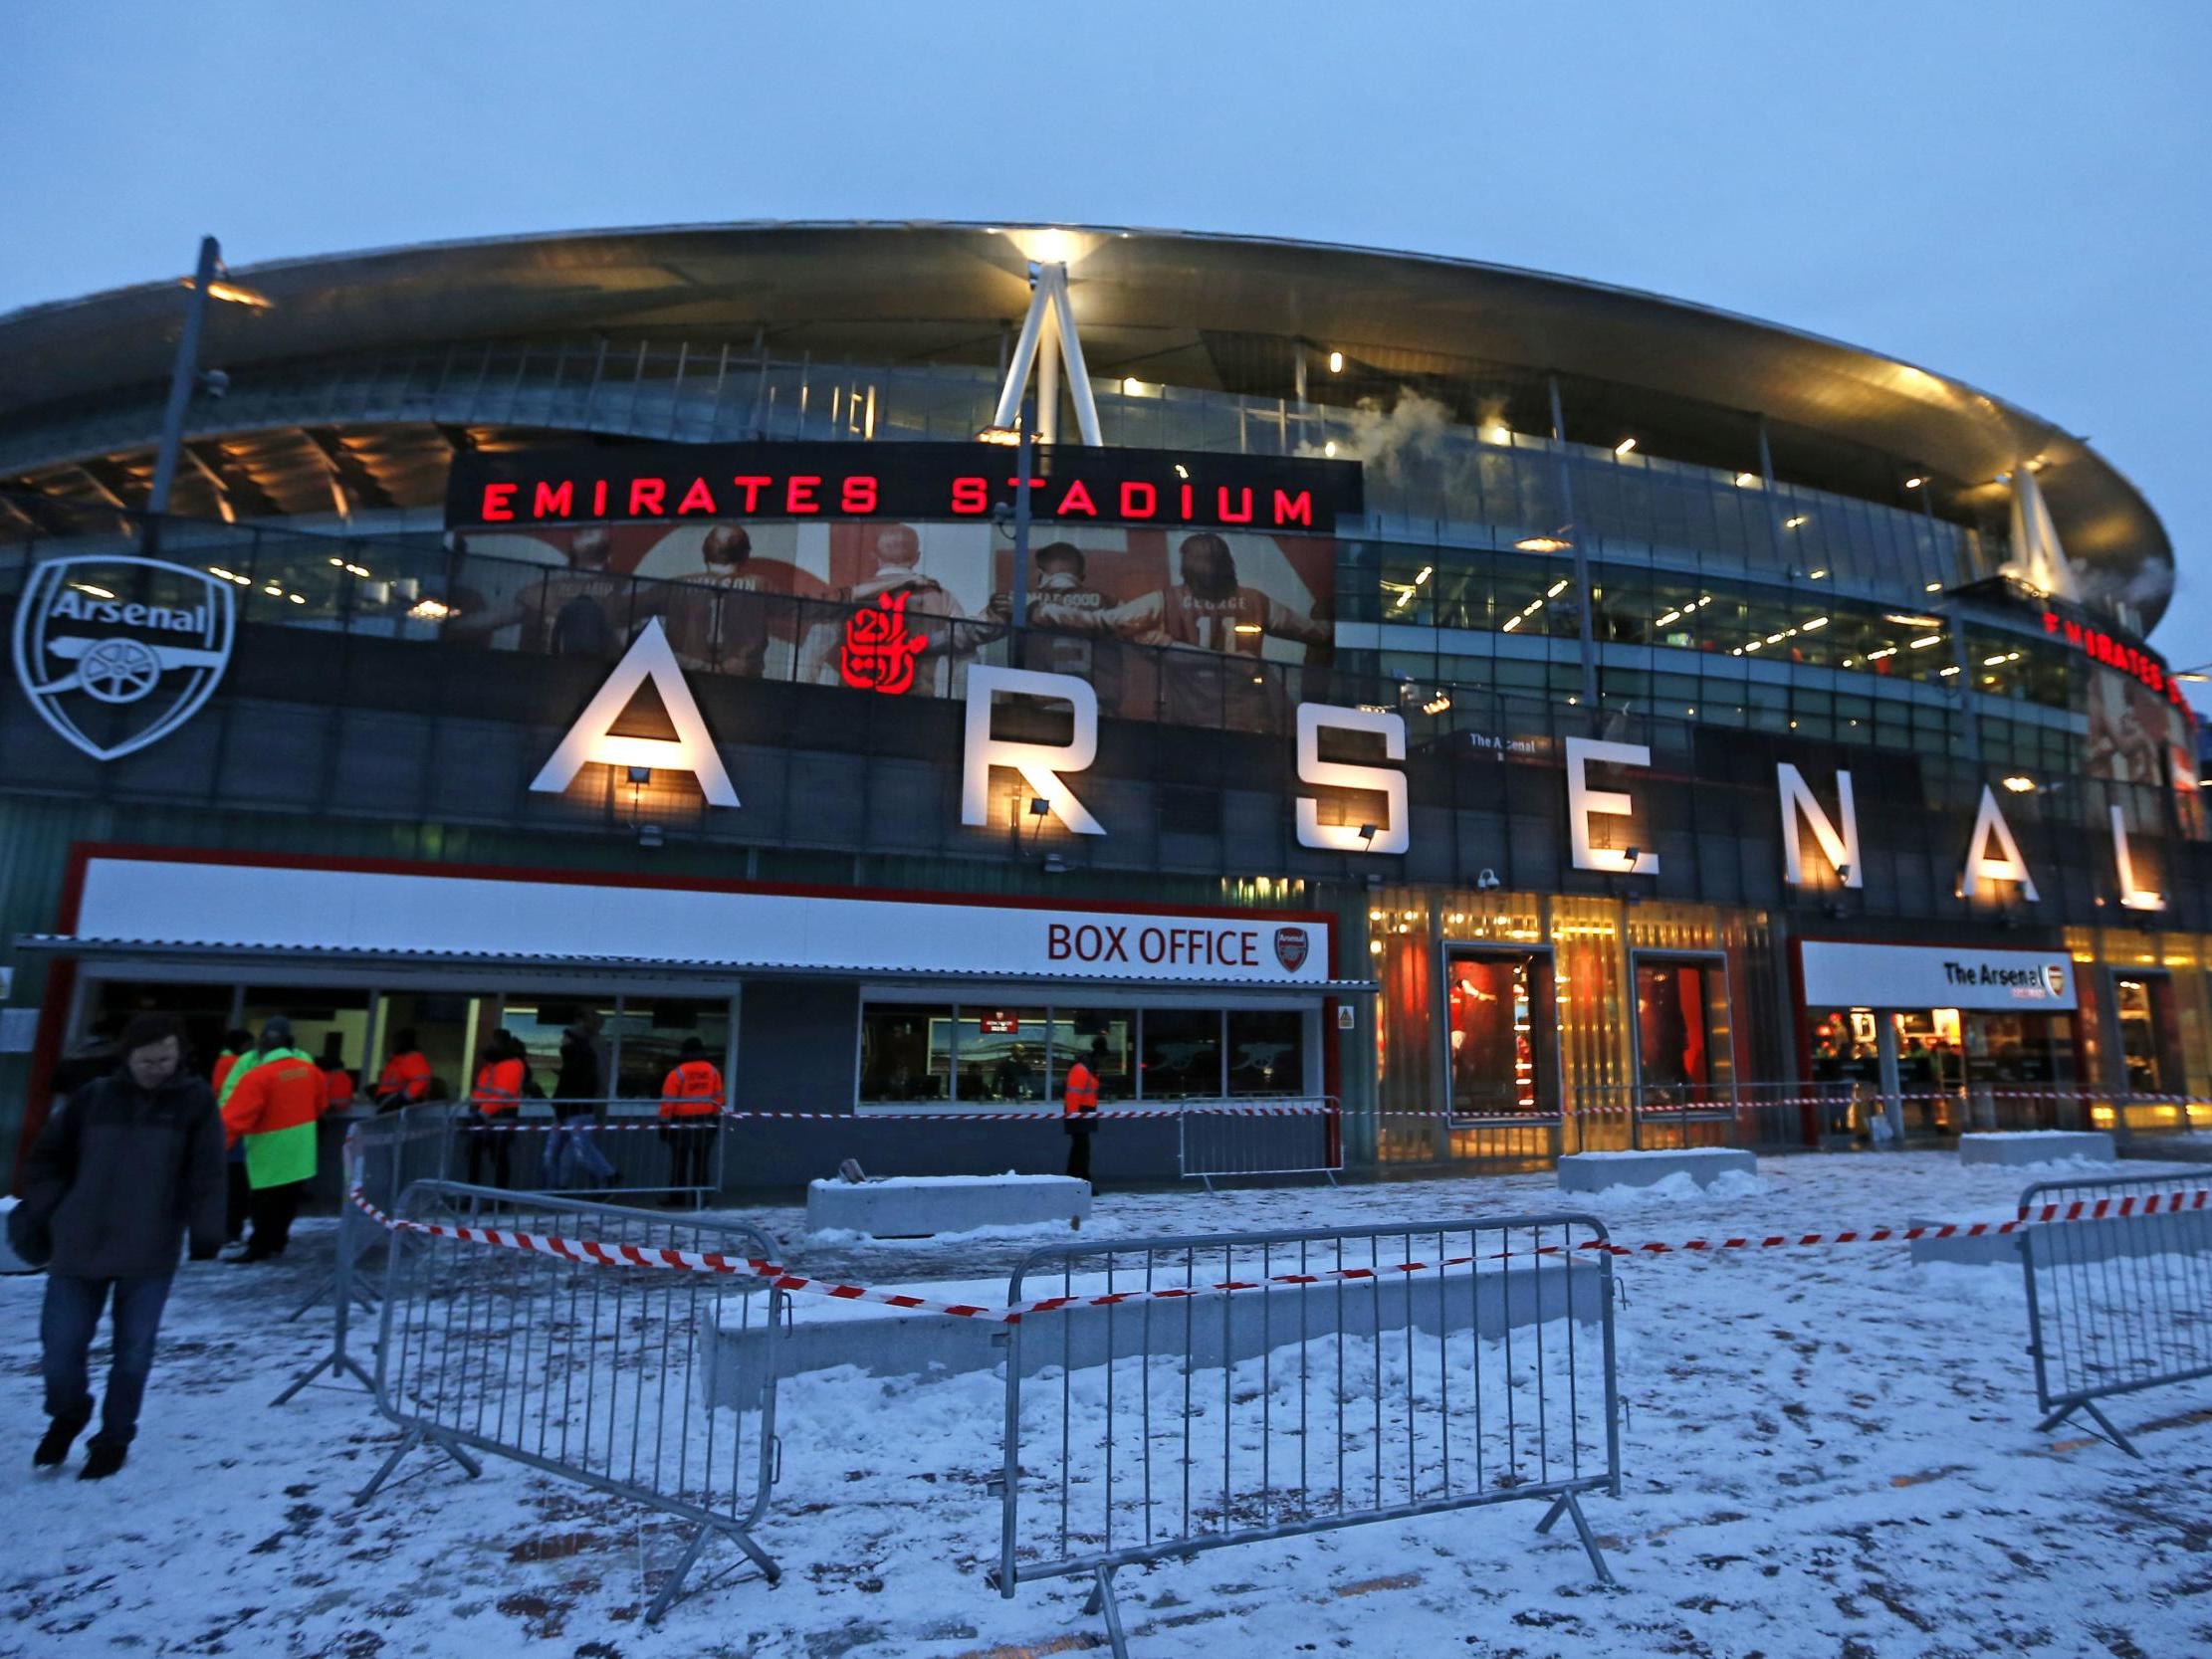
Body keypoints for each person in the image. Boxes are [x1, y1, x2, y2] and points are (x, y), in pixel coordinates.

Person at [10, 1012, 224, 1479]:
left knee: (133, 1353)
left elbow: (208, 1171)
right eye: (148, 1060)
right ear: (127, 1057)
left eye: (166, 1059)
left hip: (149, 1250)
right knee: (60, 1350)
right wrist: (53, 1208)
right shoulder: (93, 1099)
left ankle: (114, 1437)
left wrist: (209, 1229)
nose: (158, 1069)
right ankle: (68, 1412)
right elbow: (46, 1159)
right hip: (78, 1245)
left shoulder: (194, 1103)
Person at [218, 1018, 324, 1263]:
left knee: (263, 1201)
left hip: (268, 1148)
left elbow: (236, 1115)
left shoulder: (257, 1075)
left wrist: (221, 1144)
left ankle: (259, 1247)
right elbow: (320, 1104)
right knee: (287, 1200)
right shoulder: (310, 1069)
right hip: (301, 1147)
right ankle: (277, 1242)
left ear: (262, 1046)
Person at [547, 1010, 616, 1190]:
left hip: (577, 1110)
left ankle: (607, 1177)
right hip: (572, 1110)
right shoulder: (580, 1055)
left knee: (577, 1152)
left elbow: (591, 1081)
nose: (561, 1041)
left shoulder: (586, 1054)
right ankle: (560, 1187)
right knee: (569, 1153)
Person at [658, 1037, 724, 1203]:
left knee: (679, 1161)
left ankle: (677, 1198)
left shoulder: (678, 1072)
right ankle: (699, 1198)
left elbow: (668, 1101)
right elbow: (719, 1098)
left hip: (680, 1122)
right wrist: (716, 1119)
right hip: (706, 1121)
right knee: (701, 1162)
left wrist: (664, 1123)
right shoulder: (713, 1071)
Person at [209, 1027, 255, 1244]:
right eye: (248, 1043)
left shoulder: (224, 1061)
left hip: (228, 1125)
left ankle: (229, 1228)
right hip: (235, 1127)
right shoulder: (237, 1063)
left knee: (232, 1181)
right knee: (236, 1183)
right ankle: (231, 1229)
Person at [466, 1032, 527, 1189]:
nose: (486, 1046)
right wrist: (474, 1111)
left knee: (498, 1158)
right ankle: (472, 1196)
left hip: (499, 1118)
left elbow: (503, 1095)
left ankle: (499, 1199)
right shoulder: (491, 1066)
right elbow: (482, 1092)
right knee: (475, 1159)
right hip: (485, 1117)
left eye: (491, 1042)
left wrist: (480, 1114)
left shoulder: (509, 1065)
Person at [1062, 1040, 1103, 1189]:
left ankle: (1077, 1180)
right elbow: (1073, 1094)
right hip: (1080, 1114)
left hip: (1084, 1113)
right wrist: (1073, 1115)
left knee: (1080, 1149)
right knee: (1081, 1150)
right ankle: (1080, 1181)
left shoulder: (1086, 1069)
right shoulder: (1081, 1070)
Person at [372, 1028, 432, 1114]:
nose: (394, 1044)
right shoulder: (399, 1059)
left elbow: (421, 1080)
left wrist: (405, 1097)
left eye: (397, 1041)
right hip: (391, 1102)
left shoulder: (412, 1059)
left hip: (397, 1105)